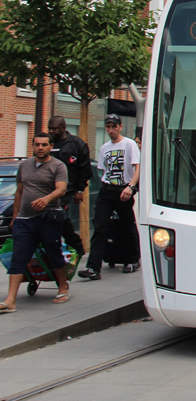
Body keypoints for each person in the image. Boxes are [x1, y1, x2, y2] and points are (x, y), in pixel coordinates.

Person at [0, 133, 71, 312]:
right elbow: (19, 191)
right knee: (19, 255)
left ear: (50, 146)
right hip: (25, 219)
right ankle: (10, 300)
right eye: (37, 145)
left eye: (44, 145)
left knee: (53, 251)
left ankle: (63, 287)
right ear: (32, 146)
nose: (40, 148)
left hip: (49, 216)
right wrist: (15, 216)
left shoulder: (58, 166)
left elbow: (61, 189)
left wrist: (46, 200)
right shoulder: (24, 165)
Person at [78, 115, 141, 280]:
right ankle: (93, 267)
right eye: (108, 127)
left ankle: (133, 259)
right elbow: (104, 170)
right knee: (99, 227)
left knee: (127, 225)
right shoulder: (104, 148)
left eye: (114, 127)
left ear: (120, 127)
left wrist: (131, 187)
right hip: (107, 190)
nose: (111, 130)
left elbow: (137, 168)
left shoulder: (129, 144)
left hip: (123, 190)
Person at [47, 116, 92, 259]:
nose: (52, 131)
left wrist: (80, 190)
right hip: (48, 189)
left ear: (64, 128)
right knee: (56, 219)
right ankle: (69, 247)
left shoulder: (76, 144)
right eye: (50, 129)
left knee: (60, 217)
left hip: (68, 190)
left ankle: (75, 247)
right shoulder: (47, 143)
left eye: (55, 129)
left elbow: (84, 169)